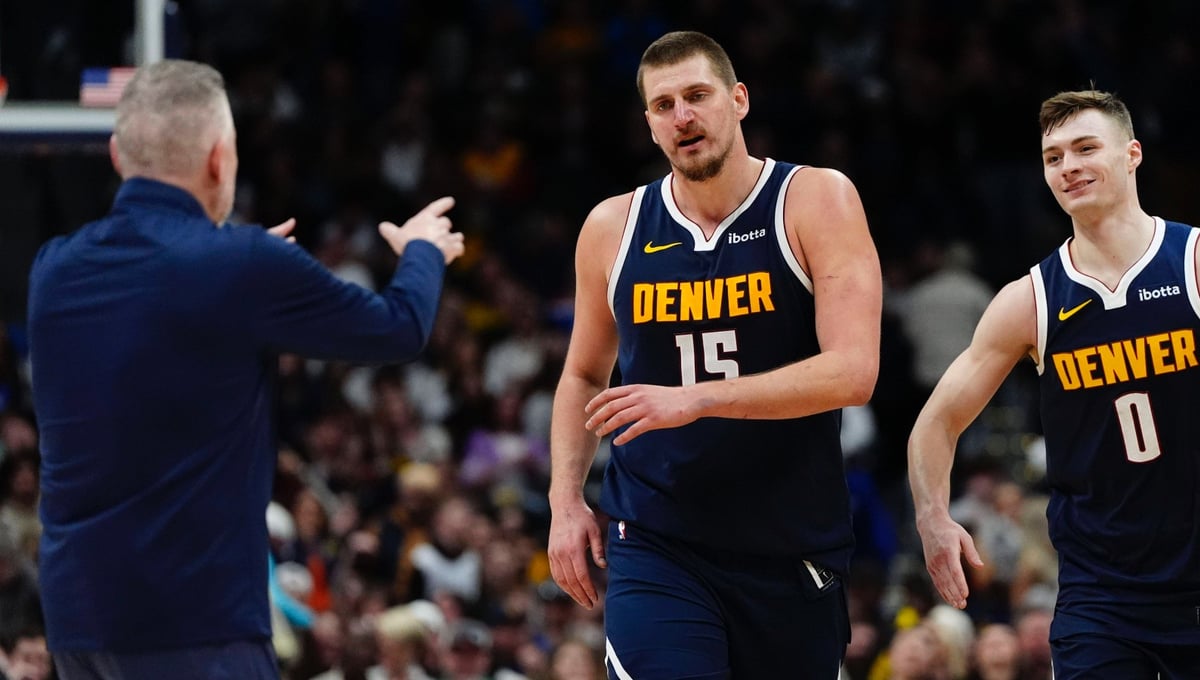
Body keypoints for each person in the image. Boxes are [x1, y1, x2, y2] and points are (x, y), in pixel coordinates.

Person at [27, 59, 464, 679]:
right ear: (219, 158)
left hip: (78, 625)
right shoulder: (241, 265)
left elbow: (151, 338)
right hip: (194, 620)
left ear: (118, 155)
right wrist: (423, 250)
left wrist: (239, 275)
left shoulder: (52, 269)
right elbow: (399, 328)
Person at [547, 30, 882, 678]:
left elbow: (853, 371)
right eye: (664, 105)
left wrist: (696, 399)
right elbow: (584, 374)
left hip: (789, 542)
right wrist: (565, 501)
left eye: (697, 96)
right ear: (649, 125)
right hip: (656, 538)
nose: (683, 116)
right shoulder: (613, 227)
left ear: (739, 99)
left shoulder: (815, 199)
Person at [908, 89, 1200, 679]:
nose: (1068, 166)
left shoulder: (1192, 260)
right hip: (1101, 592)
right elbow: (936, 422)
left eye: (1085, 148)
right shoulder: (1030, 300)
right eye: (1053, 157)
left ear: (1132, 154)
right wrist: (932, 517)